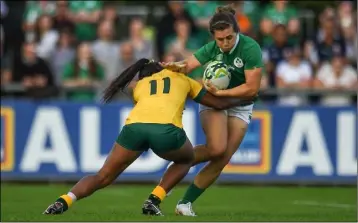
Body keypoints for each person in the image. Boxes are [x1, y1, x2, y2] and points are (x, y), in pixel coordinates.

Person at [43, 58, 256, 216]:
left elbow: (128, 83)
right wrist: (243, 98)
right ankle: (154, 199)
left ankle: (65, 200)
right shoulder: (183, 79)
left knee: (103, 176)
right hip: (165, 130)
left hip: (133, 129)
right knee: (187, 158)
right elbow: (216, 104)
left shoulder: (139, 86)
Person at [161, 5, 263, 216]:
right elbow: (188, 65)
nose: (225, 43)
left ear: (237, 32)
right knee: (216, 148)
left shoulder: (250, 48)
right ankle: (175, 170)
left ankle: (184, 203)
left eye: (229, 38)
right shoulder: (211, 48)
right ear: (214, 37)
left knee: (222, 158)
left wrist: (222, 93)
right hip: (214, 102)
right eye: (220, 39)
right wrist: (173, 67)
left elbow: (252, 88)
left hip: (240, 105)